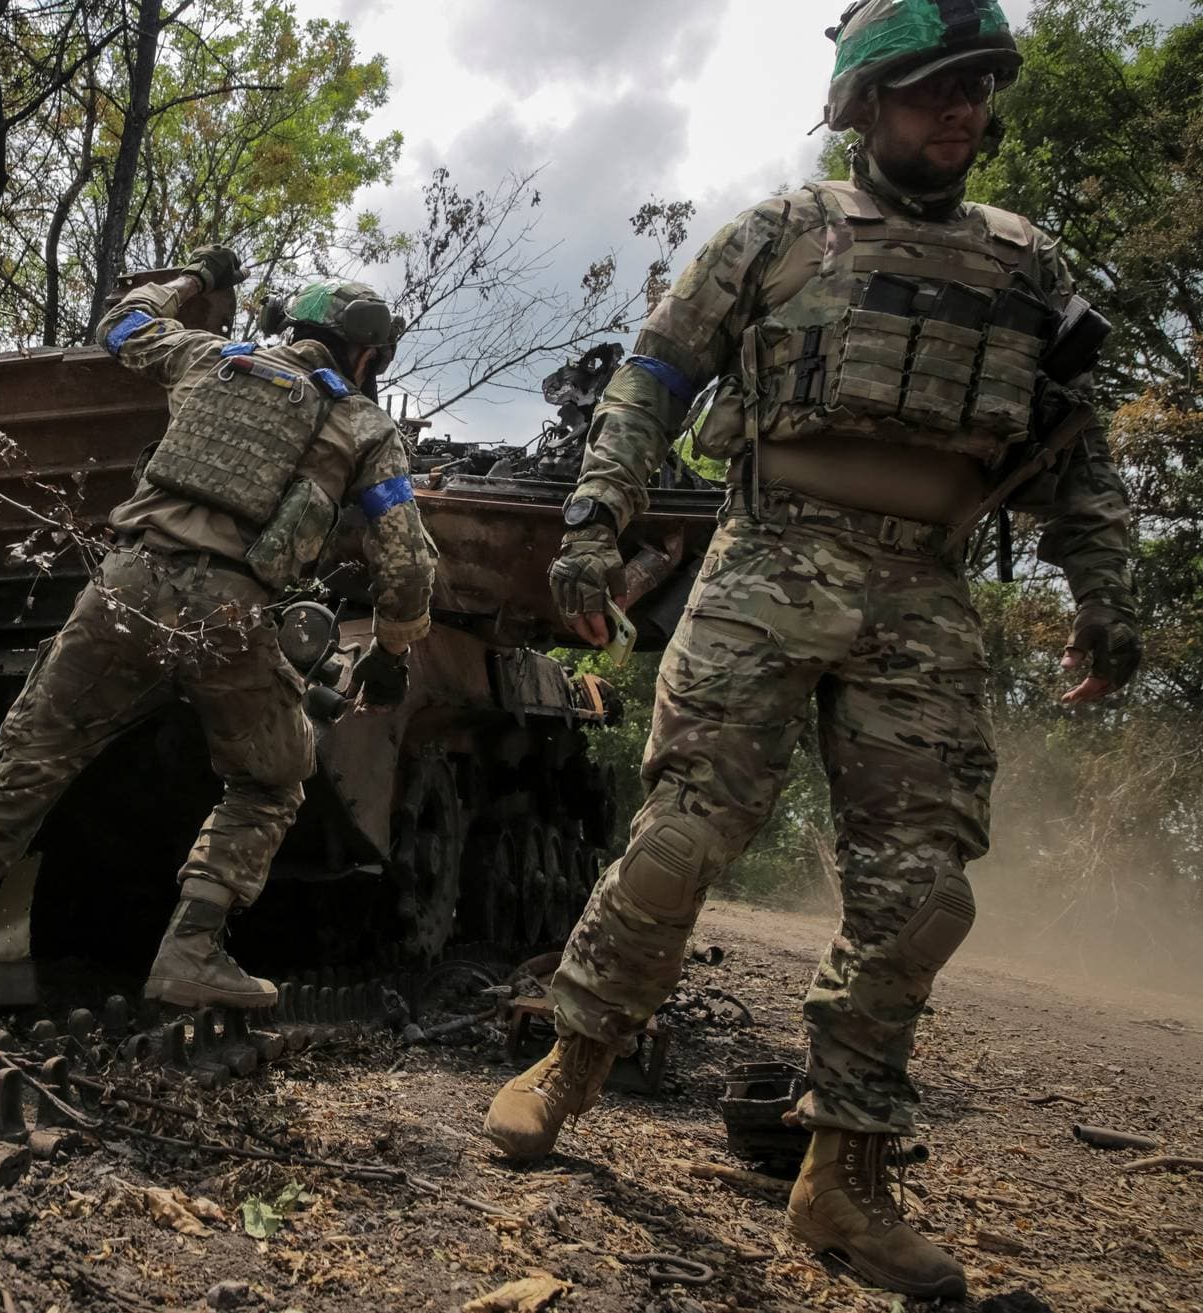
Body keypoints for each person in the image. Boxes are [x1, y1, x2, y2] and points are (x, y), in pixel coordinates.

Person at [482, 0, 1139, 1300]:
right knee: (681, 839)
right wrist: (595, 520)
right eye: (935, 85)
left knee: (923, 894)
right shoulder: (778, 234)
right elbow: (654, 376)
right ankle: (572, 1063)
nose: (962, 110)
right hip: (770, 561)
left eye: (978, 89)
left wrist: (1105, 592)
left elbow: (1082, 456)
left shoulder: (1030, 269)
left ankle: (841, 1178)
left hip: (925, 598)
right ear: (862, 101)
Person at [0, 248, 436, 1043]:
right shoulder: (363, 424)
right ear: (367, 354)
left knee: (20, 775)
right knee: (274, 779)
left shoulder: (212, 359)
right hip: (228, 616)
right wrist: (392, 648)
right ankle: (190, 948)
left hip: (123, 588)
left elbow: (122, 323)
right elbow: (406, 567)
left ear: (293, 326)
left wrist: (198, 279)